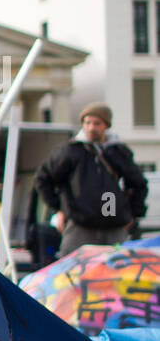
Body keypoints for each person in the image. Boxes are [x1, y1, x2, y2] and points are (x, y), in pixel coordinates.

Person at [34, 102, 148, 256]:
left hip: (114, 227)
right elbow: (43, 179)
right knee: (73, 274)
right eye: (87, 123)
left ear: (106, 126)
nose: (91, 127)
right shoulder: (70, 151)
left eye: (97, 123)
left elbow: (139, 184)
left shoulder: (118, 152)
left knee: (114, 274)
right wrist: (61, 208)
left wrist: (133, 214)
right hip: (80, 227)